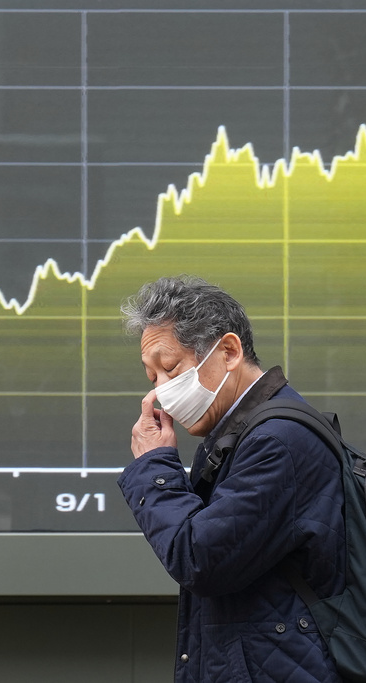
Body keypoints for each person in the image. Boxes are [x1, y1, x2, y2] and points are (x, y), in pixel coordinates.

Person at [117, 275, 346, 683]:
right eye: (151, 377)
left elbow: (200, 558)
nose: (159, 395)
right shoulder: (238, 433)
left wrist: (154, 466)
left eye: (170, 368)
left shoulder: (277, 440)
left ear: (228, 350)